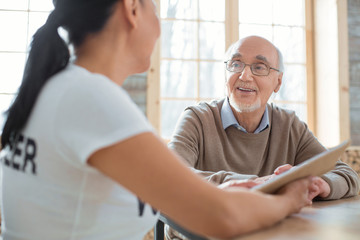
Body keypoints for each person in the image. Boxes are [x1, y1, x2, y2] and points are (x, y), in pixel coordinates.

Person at [0, 1, 314, 239]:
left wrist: (224, 191)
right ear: (132, 9)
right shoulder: (92, 98)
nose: (160, 24)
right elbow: (221, 218)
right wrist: (291, 198)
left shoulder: (61, 87)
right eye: (154, 6)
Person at [166, 35, 360, 239]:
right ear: (226, 75)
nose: (245, 76)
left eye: (259, 67)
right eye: (236, 64)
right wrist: (257, 184)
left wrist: (320, 184)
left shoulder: (289, 124)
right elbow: (170, 177)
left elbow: (347, 175)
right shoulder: (197, 119)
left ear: (278, 82)